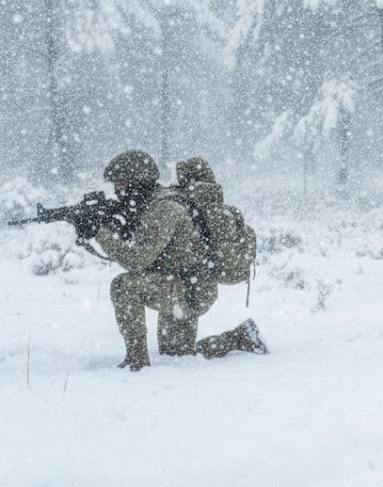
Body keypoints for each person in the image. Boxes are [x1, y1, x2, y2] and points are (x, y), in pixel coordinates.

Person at [95, 150, 266, 371]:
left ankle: (136, 360)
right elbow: (144, 250)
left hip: (188, 291)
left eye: (121, 183)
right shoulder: (156, 201)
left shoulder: (164, 208)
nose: (116, 190)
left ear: (138, 181)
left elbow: (136, 260)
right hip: (193, 285)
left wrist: (99, 233)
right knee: (178, 354)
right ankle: (239, 338)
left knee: (123, 286)